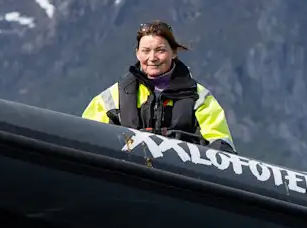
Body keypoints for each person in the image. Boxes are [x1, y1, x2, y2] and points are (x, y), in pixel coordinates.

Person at [83, 20, 234, 150]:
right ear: (137, 53)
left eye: (160, 50)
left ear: (173, 52)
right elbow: (88, 136)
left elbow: (220, 145)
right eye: (146, 51)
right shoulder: (112, 97)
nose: (152, 58)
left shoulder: (199, 98)